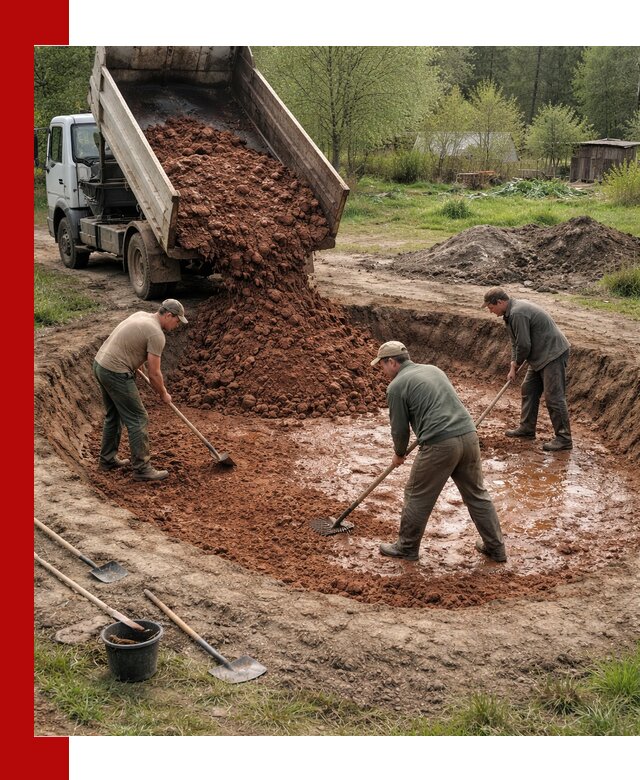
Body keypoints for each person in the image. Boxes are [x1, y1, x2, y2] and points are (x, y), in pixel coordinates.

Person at [371, 341, 506, 563]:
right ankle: (496, 548)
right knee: (477, 495)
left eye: (382, 365)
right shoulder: (433, 369)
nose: (382, 371)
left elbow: (399, 428)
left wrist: (399, 452)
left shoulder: (396, 387)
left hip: (440, 444)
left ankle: (406, 547)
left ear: (392, 362)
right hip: (469, 436)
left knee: (416, 495)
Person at [92, 299, 188, 481]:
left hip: (100, 364)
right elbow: (155, 374)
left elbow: (129, 344)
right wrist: (163, 394)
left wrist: (136, 364)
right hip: (115, 371)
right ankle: (142, 469)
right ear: (169, 315)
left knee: (114, 415)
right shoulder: (156, 334)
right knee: (138, 418)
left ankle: (107, 460)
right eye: (177, 321)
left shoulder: (142, 315)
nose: (177, 325)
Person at [482, 287, 572, 452]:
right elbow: (516, 343)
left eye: (491, 307)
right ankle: (527, 429)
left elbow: (524, 345)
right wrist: (512, 364)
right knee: (529, 389)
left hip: (552, 353)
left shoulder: (517, 313)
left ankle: (564, 439)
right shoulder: (509, 315)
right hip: (539, 355)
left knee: (554, 397)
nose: (490, 311)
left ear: (500, 302)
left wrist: (516, 364)